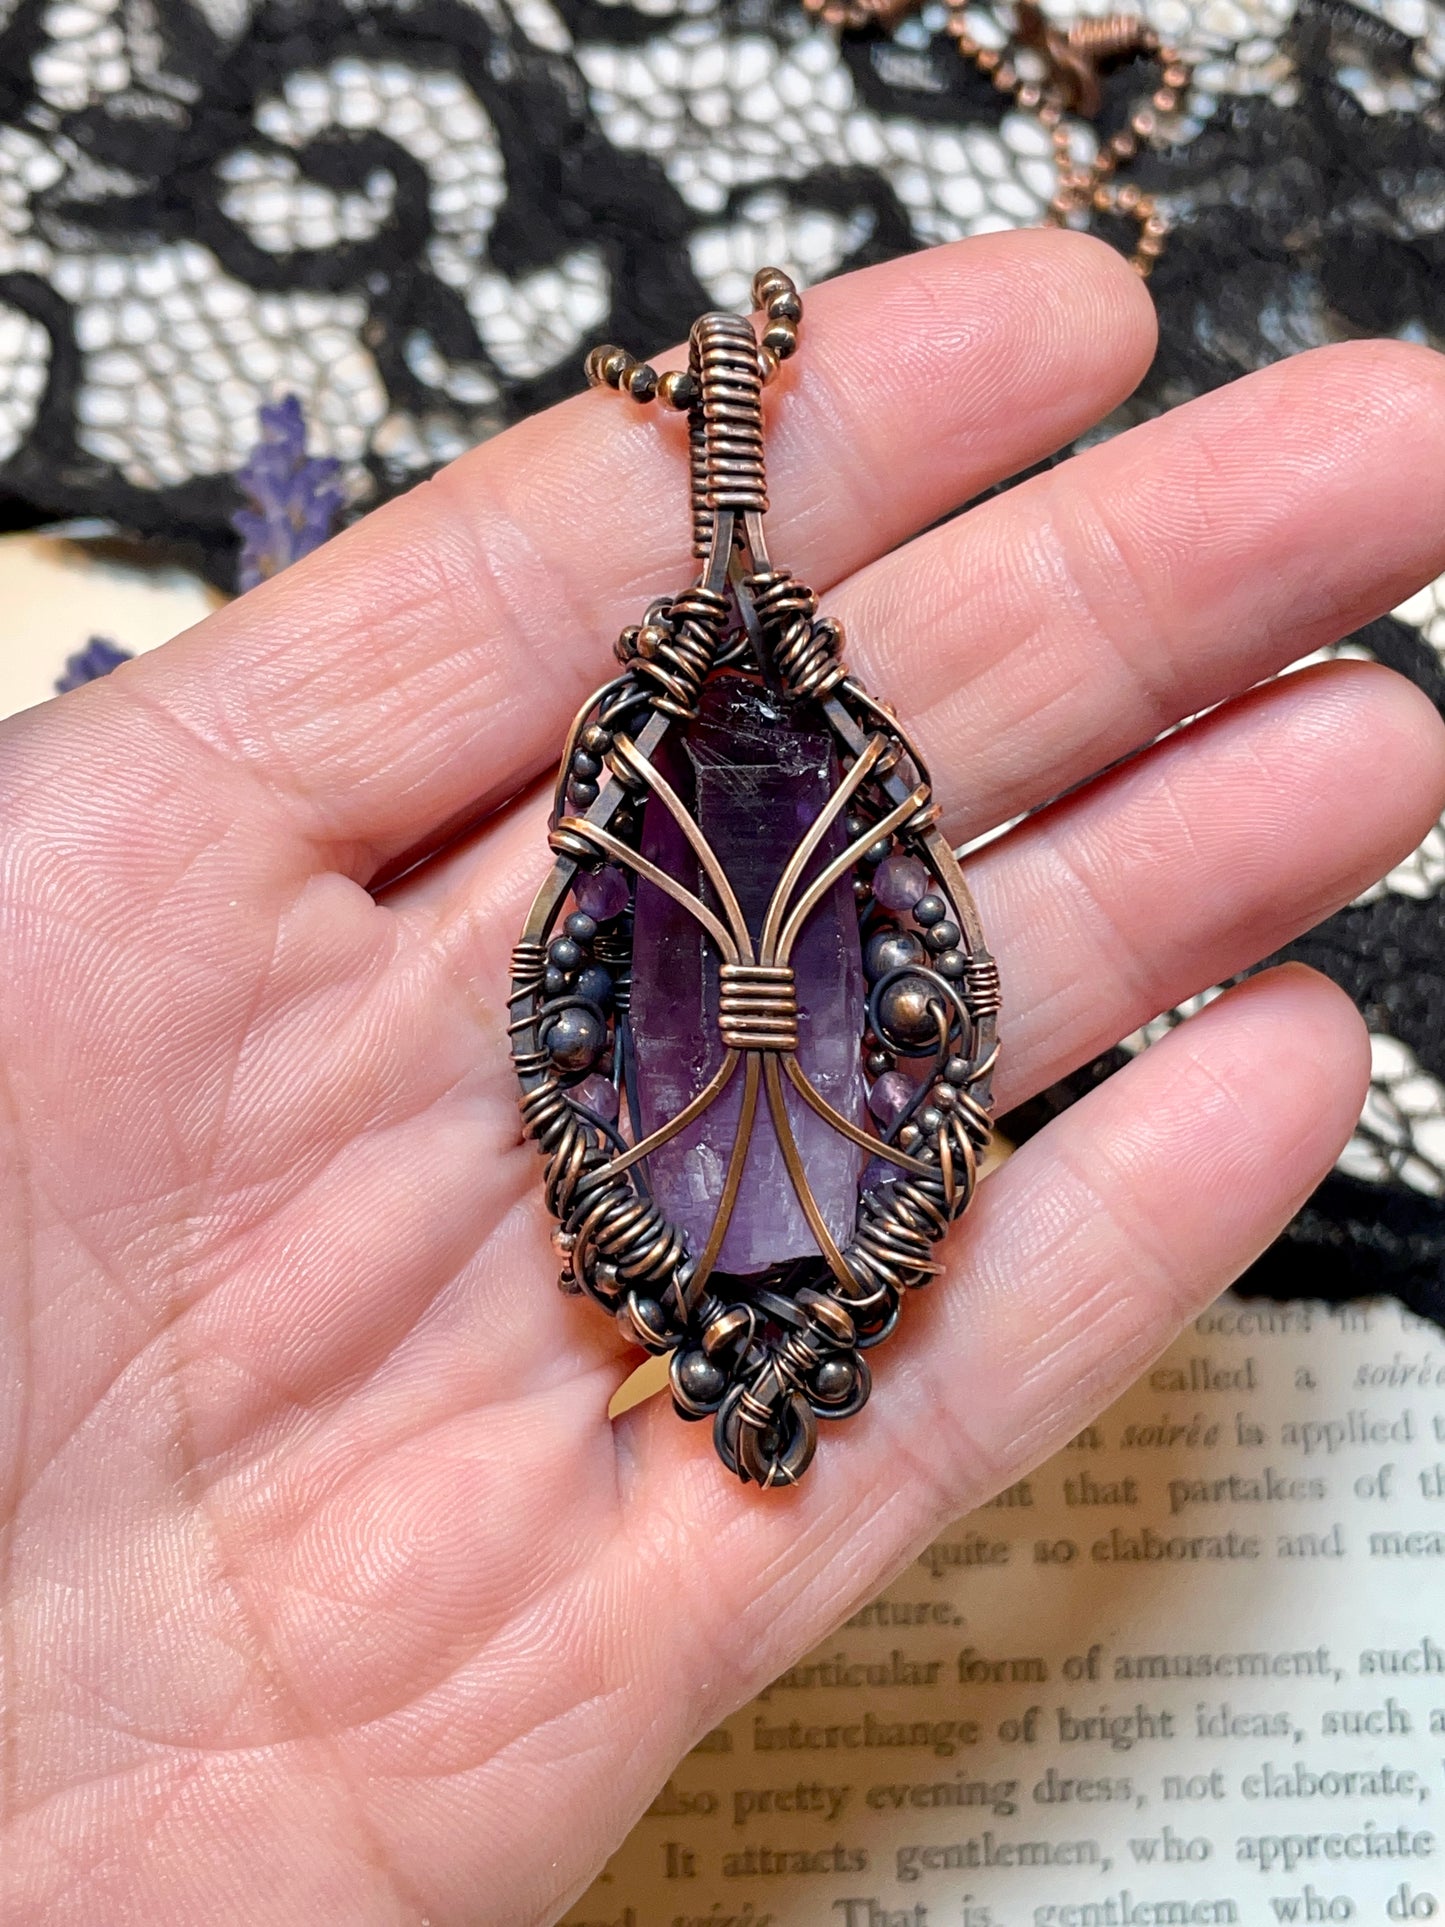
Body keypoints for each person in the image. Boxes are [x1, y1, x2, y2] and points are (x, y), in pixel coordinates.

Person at [3, 229, 1444, 1925]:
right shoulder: (699, 799)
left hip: (778, 1196)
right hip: (744, 1203)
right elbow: (589, 990)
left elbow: (716, 985)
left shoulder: (727, 778)